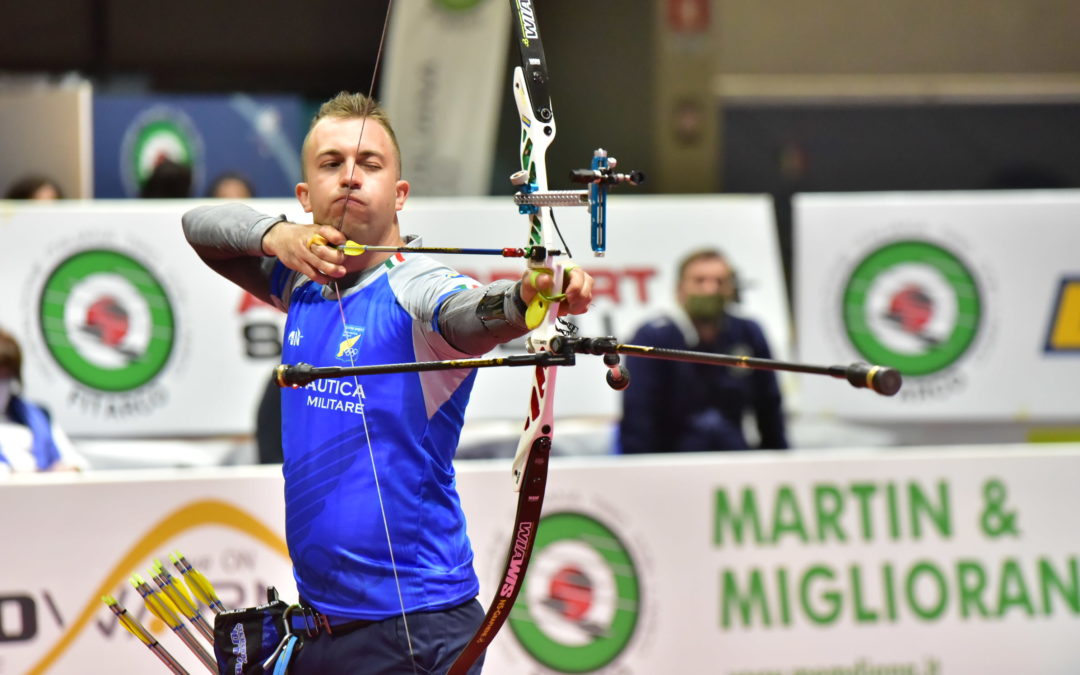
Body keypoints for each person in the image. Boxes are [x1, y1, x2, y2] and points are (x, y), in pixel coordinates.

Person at [182, 91, 593, 674]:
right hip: (322, 627)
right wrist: (277, 236)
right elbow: (198, 227)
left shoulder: (416, 288)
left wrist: (528, 296)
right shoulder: (300, 281)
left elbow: (467, 313)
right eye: (331, 163)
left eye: (370, 164)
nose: (350, 176)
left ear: (400, 194)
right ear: (305, 195)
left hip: (416, 631)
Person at [618, 248, 788, 453]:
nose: (710, 289)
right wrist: (640, 472)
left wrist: (778, 461)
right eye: (700, 281)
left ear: (731, 288)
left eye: (720, 281)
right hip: (671, 458)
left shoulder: (748, 332)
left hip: (734, 456)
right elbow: (638, 414)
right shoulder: (652, 337)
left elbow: (769, 405)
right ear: (680, 288)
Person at [0, 329, 88, 475]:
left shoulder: (37, 416)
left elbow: (75, 462)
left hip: (45, 495)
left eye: (6, 376)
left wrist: (69, 468)